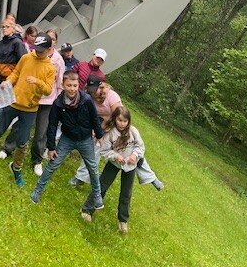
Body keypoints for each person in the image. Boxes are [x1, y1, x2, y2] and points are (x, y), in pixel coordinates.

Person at [0, 33, 55, 188]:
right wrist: (8, 81)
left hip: (30, 109)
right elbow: (16, 73)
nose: (38, 52)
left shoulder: (50, 68)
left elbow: (48, 90)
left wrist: (37, 82)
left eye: (41, 50)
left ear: (49, 49)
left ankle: (16, 168)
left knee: (22, 142)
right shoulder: (26, 58)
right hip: (13, 103)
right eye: (36, 49)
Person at [70, 78, 163, 190]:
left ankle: (151, 177)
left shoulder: (112, 97)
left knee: (133, 151)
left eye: (95, 90)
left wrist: (102, 129)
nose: (93, 93)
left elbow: (119, 117)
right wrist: (94, 130)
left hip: (116, 127)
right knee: (94, 148)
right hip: (101, 128)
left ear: (101, 87)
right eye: (90, 91)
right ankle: (82, 177)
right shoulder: (88, 97)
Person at [29, 70, 104, 209]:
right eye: (69, 85)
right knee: (53, 164)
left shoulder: (86, 100)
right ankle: (38, 190)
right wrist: (51, 147)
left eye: (75, 85)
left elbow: (94, 118)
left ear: (78, 85)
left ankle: (97, 195)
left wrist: (99, 135)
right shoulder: (58, 103)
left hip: (85, 139)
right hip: (67, 139)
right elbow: (52, 125)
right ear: (63, 85)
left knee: (92, 168)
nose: (72, 89)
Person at [80, 105, 145, 232]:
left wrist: (134, 155)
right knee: (102, 186)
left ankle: (123, 220)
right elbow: (104, 150)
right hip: (114, 164)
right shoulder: (110, 133)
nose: (122, 123)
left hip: (130, 166)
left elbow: (140, 146)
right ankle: (87, 210)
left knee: (126, 193)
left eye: (125, 121)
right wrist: (115, 156)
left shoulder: (133, 131)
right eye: (120, 120)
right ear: (115, 119)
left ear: (128, 121)